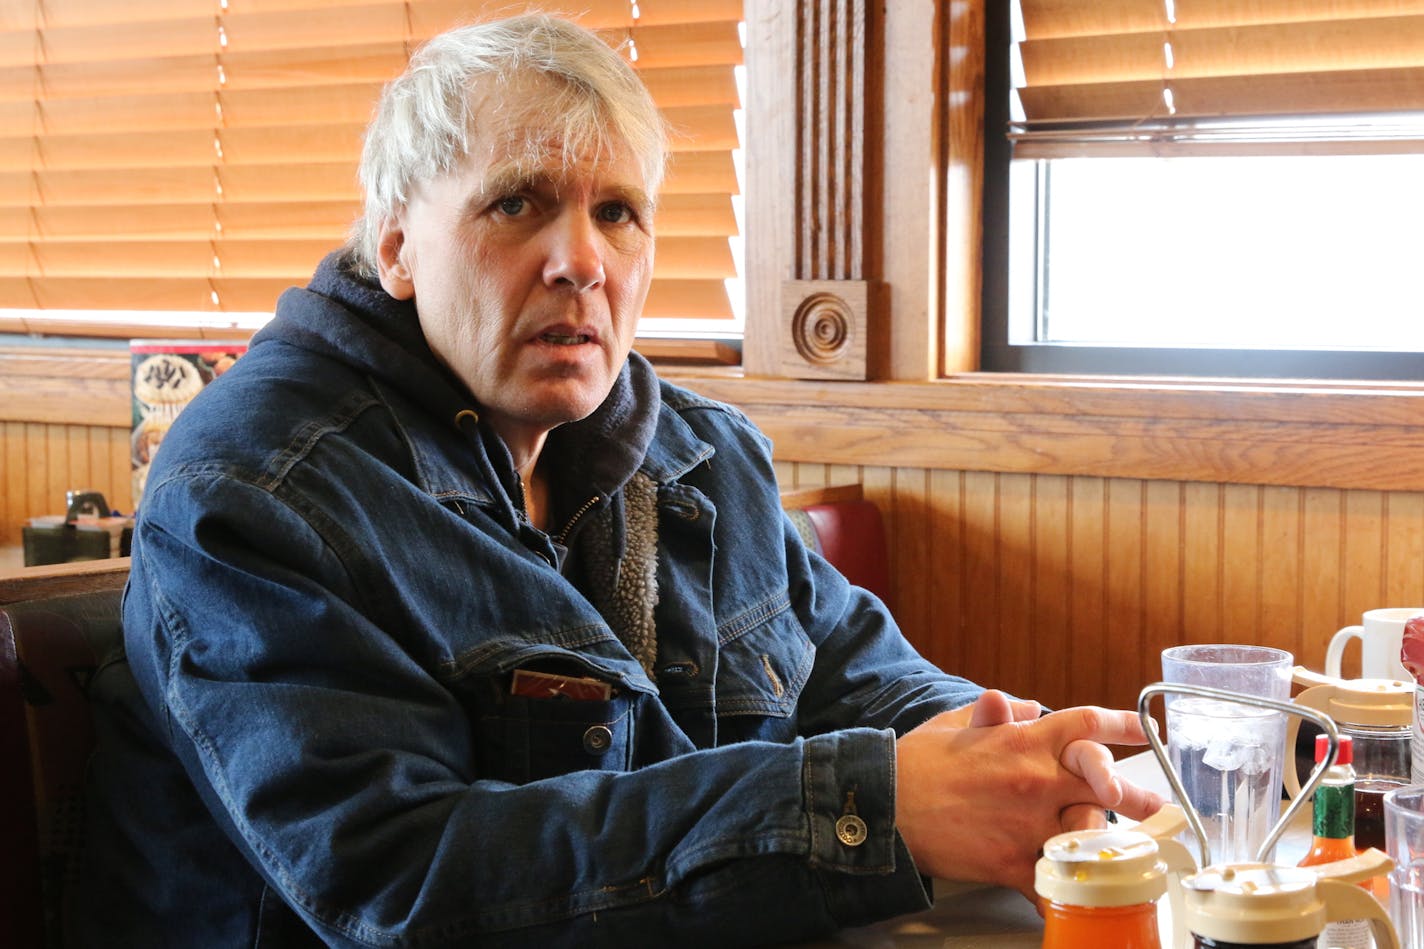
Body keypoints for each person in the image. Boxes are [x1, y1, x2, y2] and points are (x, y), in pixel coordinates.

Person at [80, 13, 1163, 948]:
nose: (581, 261)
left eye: (616, 212)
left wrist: (1009, 756)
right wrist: (863, 804)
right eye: (517, 204)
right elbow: (398, 886)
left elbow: (849, 672)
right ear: (398, 242)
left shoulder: (699, 450)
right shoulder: (251, 496)